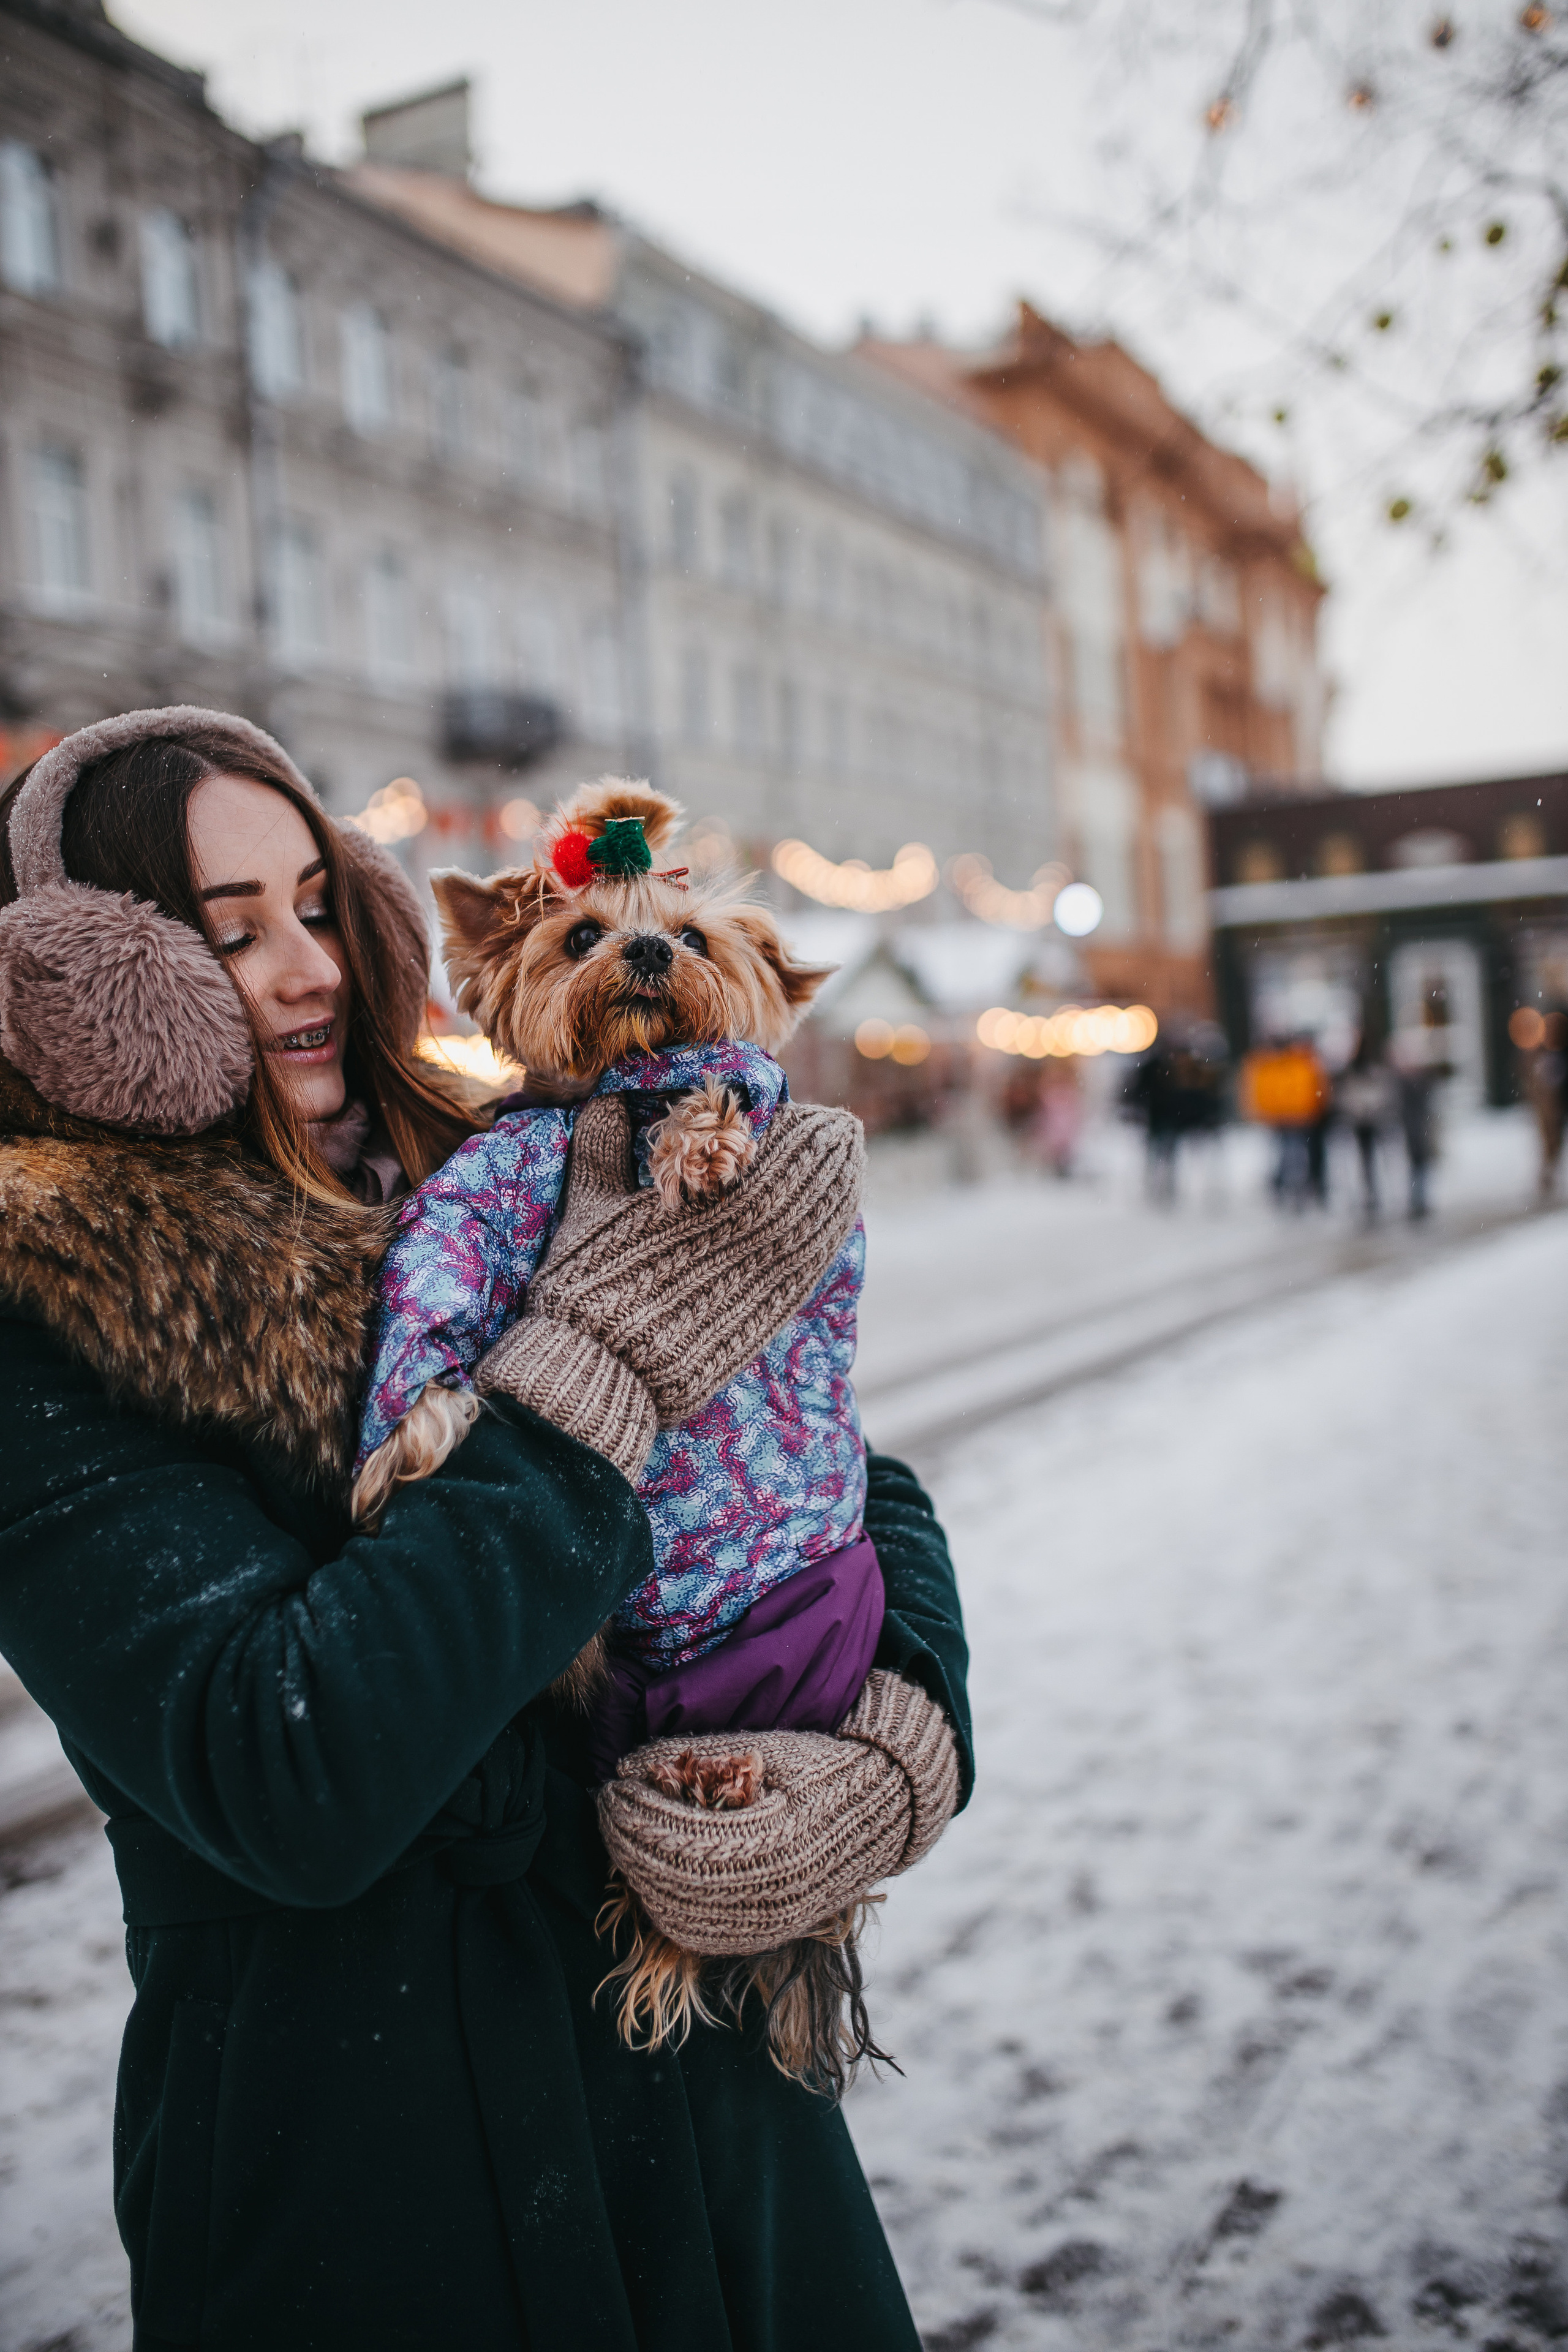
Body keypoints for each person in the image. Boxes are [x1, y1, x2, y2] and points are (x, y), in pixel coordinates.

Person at [0, 709, 971, 2352]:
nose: (311, 968)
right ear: (106, 990)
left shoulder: (495, 1148)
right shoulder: (47, 1318)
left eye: (323, 905)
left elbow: (840, 1475)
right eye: (231, 934)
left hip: (707, 2115)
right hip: (377, 2172)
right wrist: (587, 1379)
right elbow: (287, 1763)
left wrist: (901, 1741)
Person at [1335, 1037, 1396, 1221]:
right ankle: (1370, 1193)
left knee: (1368, 1160)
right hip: (1364, 1122)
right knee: (1367, 1160)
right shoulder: (1359, 1071)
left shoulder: (1364, 1071)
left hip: (1367, 1121)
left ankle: (1371, 1193)